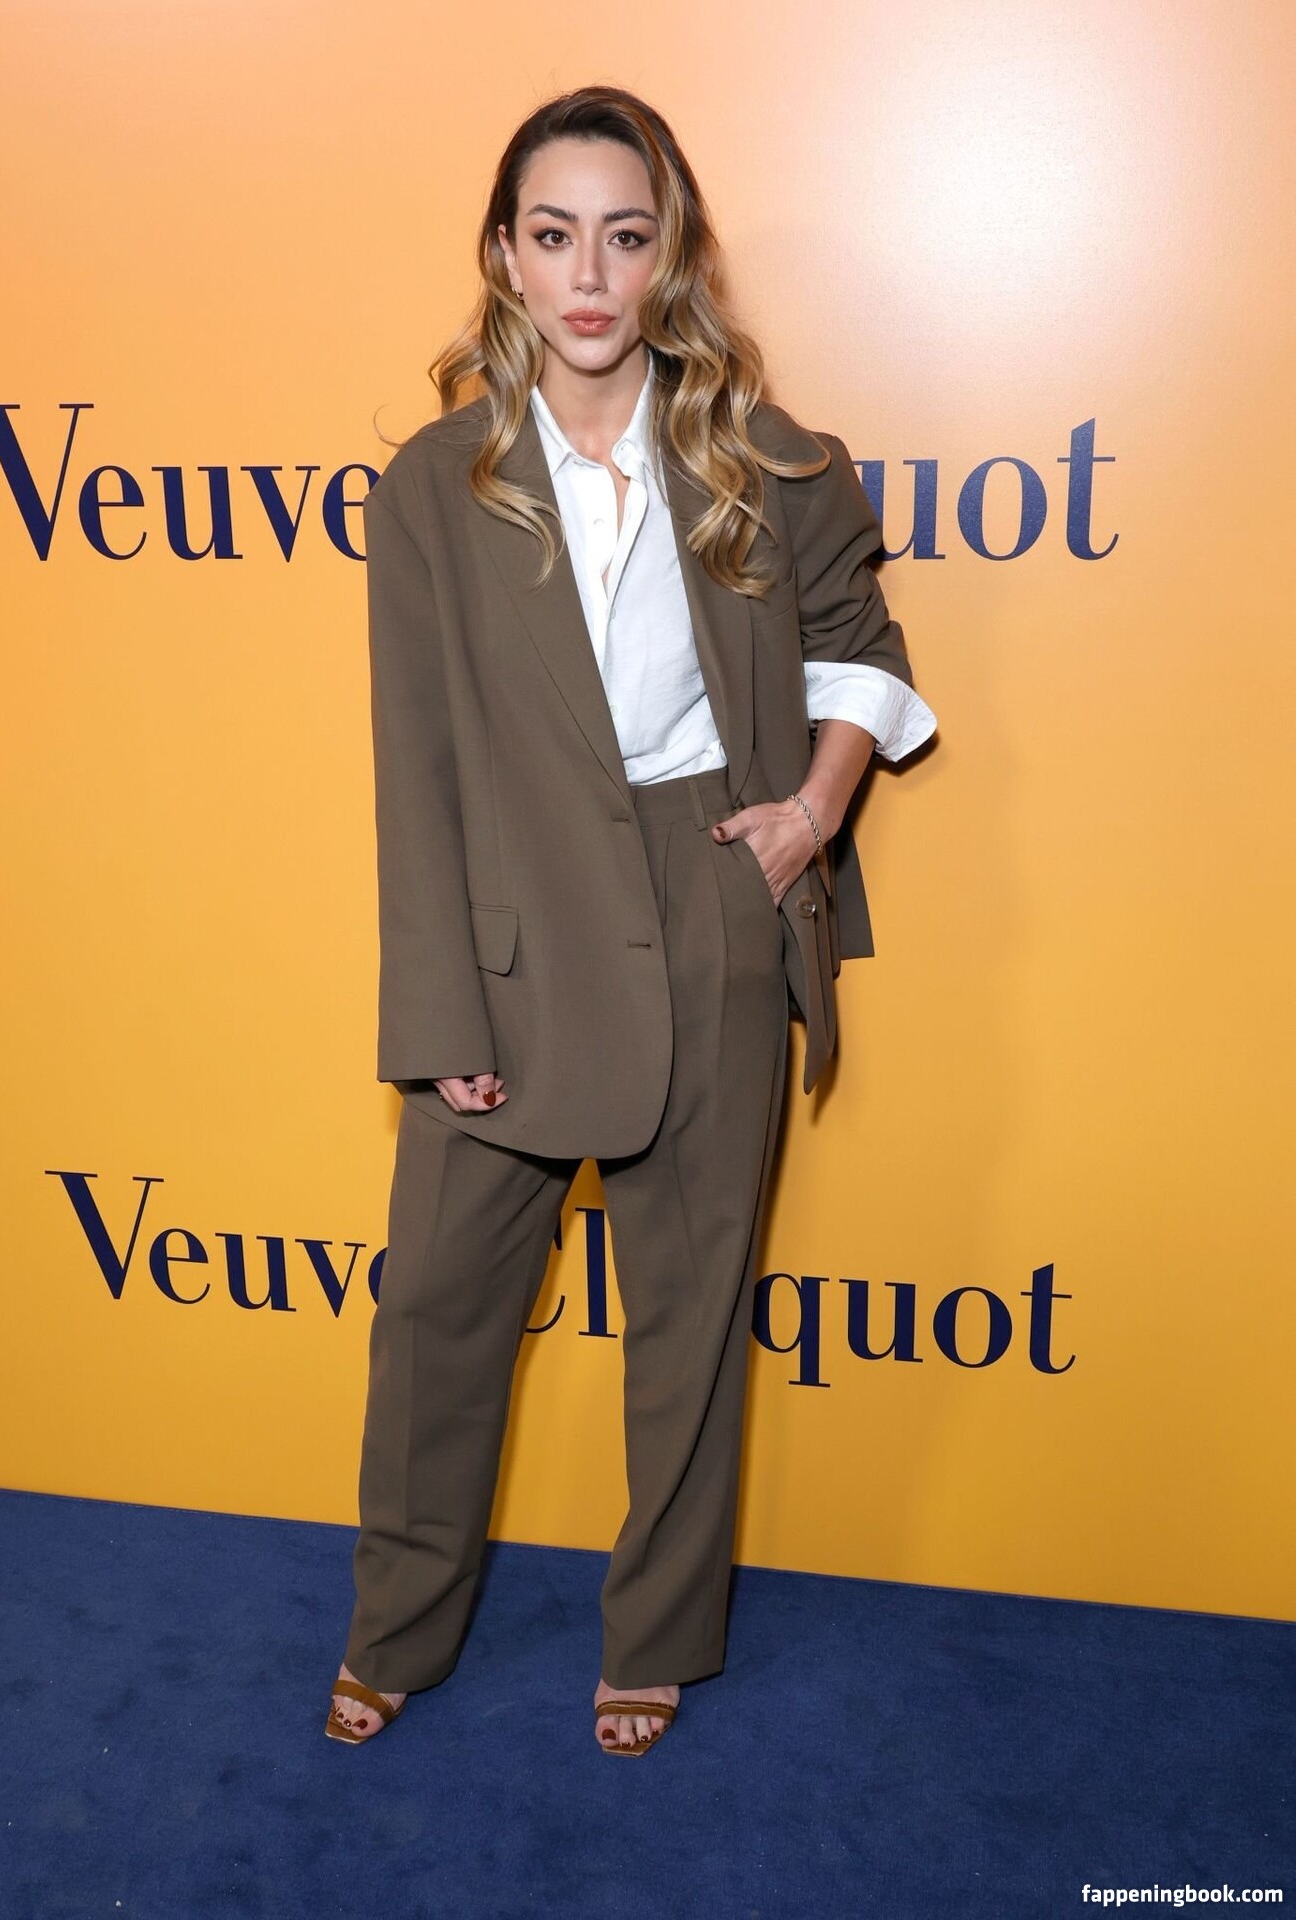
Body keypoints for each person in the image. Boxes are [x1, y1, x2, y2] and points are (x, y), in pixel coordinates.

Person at [327, 83, 936, 1756]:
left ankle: (656, 1633)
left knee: (687, 1321)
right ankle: (397, 1625)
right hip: (508, 924)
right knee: (437, 1313)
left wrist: (807, 816)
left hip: (709, 893)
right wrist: (437, 1013)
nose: (588, 275)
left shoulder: (766, 458)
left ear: (668, 255)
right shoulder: (431, 488)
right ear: (504, 257)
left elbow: (860, 649)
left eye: (623, 234)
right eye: (553, 235)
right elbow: (414, 766)